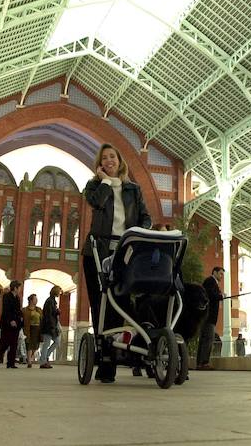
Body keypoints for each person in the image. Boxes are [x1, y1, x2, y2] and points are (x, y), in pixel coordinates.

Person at [82, 143, 152, 383]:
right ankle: (105, 361)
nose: (109, 160)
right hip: (97, 253)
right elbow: (97, 203)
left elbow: (146, 217)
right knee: (99, 305)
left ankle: (112, 354)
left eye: (113, 156)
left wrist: (138, 236)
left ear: (120, 160)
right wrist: (104, 181)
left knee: (119, 303)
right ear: (100, 164)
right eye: (105, 158)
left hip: (124, 252)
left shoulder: (133, 189)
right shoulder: (93, 186)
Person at [196, 266, 224, 370]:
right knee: (208, 339)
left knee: (204, 339)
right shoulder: (210, 281)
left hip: (207, 316)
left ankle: (200, 363)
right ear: (215, 272)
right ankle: (204, 363)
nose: (221, 276)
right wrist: (221, 296)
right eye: (220, 273)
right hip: (209, 317)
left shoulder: (211, 282)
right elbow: (210, 295)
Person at [0, 280, 23, 368]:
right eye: (19, 287)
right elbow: (6, 310)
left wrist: (20, 317)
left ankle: (11, 363)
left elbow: (18, 310)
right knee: (4, 343)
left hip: (16, 324)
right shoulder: (6, 296)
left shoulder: (17, 298)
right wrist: (10, 320)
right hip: (7, 323)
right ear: (15, 288)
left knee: (14, 344)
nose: (20, 289)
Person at [40, 286, 62, 369]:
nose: (60, 293)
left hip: (51, 325)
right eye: (59, 291)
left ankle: (45, 357)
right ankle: (43, 362)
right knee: (47, 344)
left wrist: (56, 312)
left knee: (57, 342)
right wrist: (56, 312)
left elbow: (51, 313)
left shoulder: (52, 301)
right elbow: (48, 315)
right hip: (49, 326)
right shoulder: (50, 301)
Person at [23, 294, 44, 368]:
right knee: (29, 344)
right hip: (29, 328)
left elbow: (42, 319)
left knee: (36, 345)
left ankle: (31, 358)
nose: (36, 300)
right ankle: (29, 360)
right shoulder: (25, 310)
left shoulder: (39, 309)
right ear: (31, 300)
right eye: (35, 299)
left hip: (37, 328)